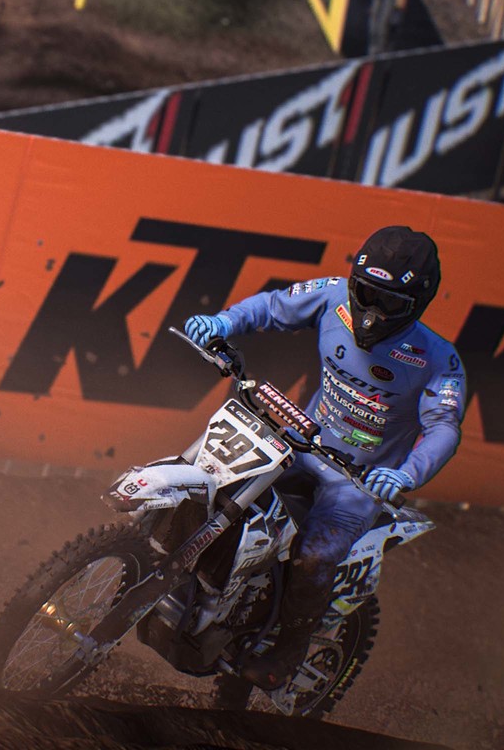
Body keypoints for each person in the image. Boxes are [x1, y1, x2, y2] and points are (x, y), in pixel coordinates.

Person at [183, 224, 465, 689]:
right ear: (353, 282)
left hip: (359, 481)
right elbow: (273, 306)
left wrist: (405, 475)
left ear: (419, 303)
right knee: (219, 480)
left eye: (389, 303)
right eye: (366, 294)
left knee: (314, 557)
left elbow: (444, 427)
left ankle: (289, 652)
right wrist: (225, 322)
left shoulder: (439, 359)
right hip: (300, 442)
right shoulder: (332, 295)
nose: (371, 313)